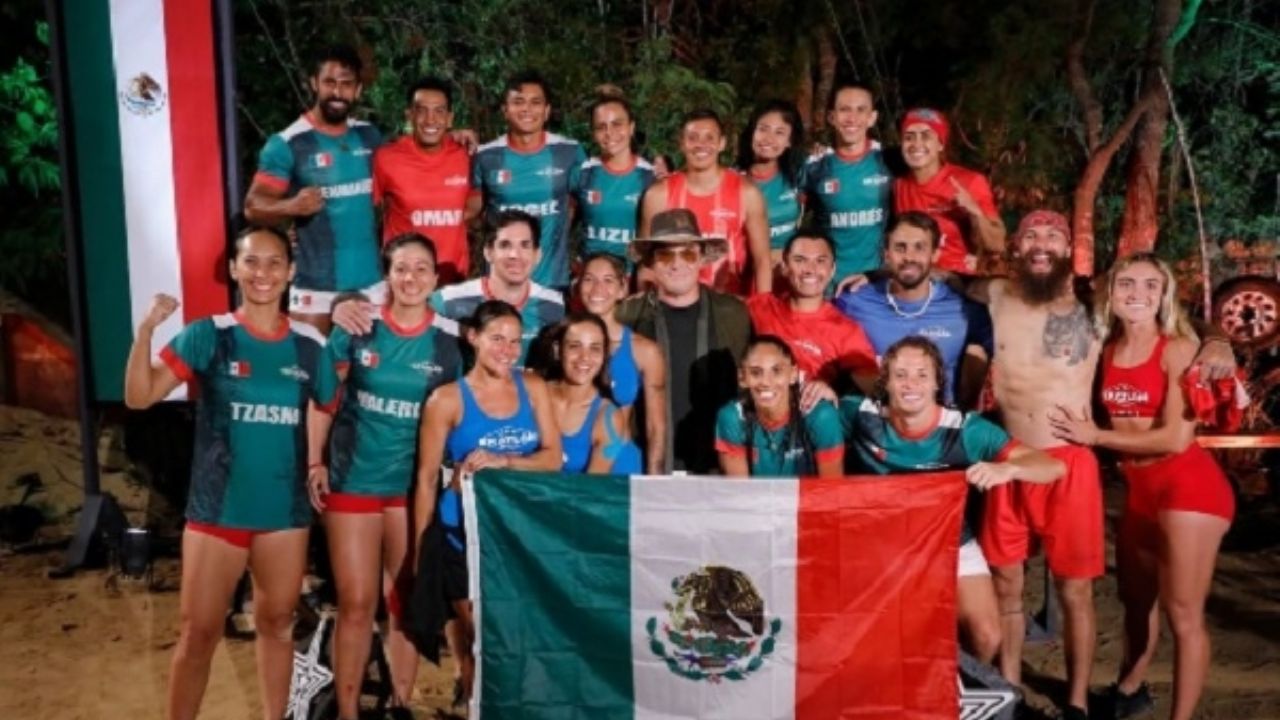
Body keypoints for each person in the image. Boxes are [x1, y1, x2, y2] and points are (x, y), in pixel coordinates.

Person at [970, 209, 1235, 719]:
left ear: (1069, 248)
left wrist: (1218, 338)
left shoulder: (1094, 305)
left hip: (1074, 463)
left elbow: (1171, 314)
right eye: (1031, 234)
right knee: (1015, 588)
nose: (1041, 243)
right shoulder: (995, 294)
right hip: (1011, 456)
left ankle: (1076, 703)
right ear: (1017, 246)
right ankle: (1011, 692)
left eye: (1053, 235)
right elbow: (934, 279)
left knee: (1080, 592)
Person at [123, 227, 339, 720]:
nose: (263, 273)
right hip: (217, 511)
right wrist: (146, 331)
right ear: (235, 269)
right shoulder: (210, 334)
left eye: (274, 262)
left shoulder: (310, 345)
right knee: (199, 633)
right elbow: (139, 396)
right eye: (252, 262)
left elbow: (328, 404)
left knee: (278, 624)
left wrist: (315, 460)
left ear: (290, 272)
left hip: (283, 514)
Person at [1048, 254, 1234, 720]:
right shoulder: (1108, 348)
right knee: (1135, 602)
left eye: (1151, 285)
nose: (1138, 293)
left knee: (1183, 613)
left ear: (1164, 294)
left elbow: (1175, 438)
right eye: (1127, 283)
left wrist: (1095, 437)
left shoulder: (1177, 348)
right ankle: (1129, 691)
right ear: (1111, 292)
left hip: (1189, 487)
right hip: (1140, 488)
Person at [305, 234, 463, 719]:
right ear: (388, 276)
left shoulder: (452, 342)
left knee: (405, 601)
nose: (411, 278)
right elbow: (323, 401)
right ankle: (348, 711)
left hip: (411, 491)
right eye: (401, 269)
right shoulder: (357, 326)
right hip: (353, 481)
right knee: (356, 602)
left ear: (435, 278)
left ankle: (399, 706)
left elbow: (463, 412)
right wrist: (314, 461)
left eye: (421, 269)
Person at [840, 336, 1064, 665]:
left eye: (922, 374)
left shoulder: (965, 429)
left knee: (987, 635)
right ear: (885, 381)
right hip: (882, 542)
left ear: (937, 383)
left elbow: (1053, 467)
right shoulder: (859, 414)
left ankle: (950, 683)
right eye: (900, 375)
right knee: (881, 635)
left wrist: (1008, 468)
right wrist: (820, 392)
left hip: (949, 540)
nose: (911, 384)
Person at [412, 300, 562, 705]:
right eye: (497, 339)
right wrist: (421, 550)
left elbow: (552, 458)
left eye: (515, 341)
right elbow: (426, 479)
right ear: (473, 338)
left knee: (517, 636)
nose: (507, 350)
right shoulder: (447, 400)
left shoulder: (533, 387)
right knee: (484, 636)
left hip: (519, 537)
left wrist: (504, 461)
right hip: (462, 535)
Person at [244, 45, 383, 334]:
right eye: (329, 82)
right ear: (314, 83)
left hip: (371, 284)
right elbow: (253, 207)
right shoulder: (288, 142)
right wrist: (292, 207)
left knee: (372, 364)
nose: (337, 92)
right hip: (315, 288)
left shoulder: (369, 136)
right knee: (309, 362)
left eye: (346, 84)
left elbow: (413, 160)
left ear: (357, 90)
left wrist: (455, 137)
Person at [332, 209, 564, 364]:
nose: (515, 255)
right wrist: (343, 306)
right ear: (488, 252)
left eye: (525, 245)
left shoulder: (555, 307)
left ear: (537, 254)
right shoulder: (449, 301)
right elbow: (397, 300)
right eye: (505, 245)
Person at [617, 209, 750, 473]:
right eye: (666, 255)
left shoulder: (734, 314)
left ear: (701, 259)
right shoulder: (626, 315)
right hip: (644, 463)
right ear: (651, 262)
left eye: (687, 254)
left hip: (717, 467)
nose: (676, 264)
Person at [835, 212, 994, 408]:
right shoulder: (854, 302)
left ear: (935, 254)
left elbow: (1009, 353)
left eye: (920, 247)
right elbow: (814, 332)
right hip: (878, 418)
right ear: (886, 254)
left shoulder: (963, 309)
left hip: (945, 420)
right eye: (900, 247)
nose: (909, 257)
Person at [469, 71, 586, 291]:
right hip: (499, 285)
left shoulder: (569, 152)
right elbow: (469, 213)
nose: (527, 109)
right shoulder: (486, 156)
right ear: (505, 110)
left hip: (552, 283)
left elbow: (587, 203)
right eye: (518, 102)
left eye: (535, 102)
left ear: (547, 110)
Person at [640, 109, 771, 295]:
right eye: (692, 138)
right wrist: (647, 306)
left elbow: (762, 260)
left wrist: (763, 306)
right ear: (681, 143)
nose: (701, 145)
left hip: (729, 302)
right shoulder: (658, 194)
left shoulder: (747, 193)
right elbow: (647, 263)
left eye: (709, 138)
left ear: (722, 143)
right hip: (673, 302)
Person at [372, 76, 476, 285]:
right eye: (422, 111)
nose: (430, 120)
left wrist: (439, 218)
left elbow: (475, 205)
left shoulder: (466, 154)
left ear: (450, 118)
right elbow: (361, 213)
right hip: (405, 281)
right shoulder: (386, 158)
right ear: (409, 115)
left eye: (439, 111)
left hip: (453, 280)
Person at [747, 229, 877, 391]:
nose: (810, 269)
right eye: (800, 260)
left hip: (816, 405)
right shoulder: (761, 307)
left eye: (820, 261)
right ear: (785, 267)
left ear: (832, 270)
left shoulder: (846, 331)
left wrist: (830, 392)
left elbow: (873, 389)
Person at [578, 253, 668, 473]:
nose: (597, 288)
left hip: (620, 466)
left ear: (622, 289)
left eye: (608, 280)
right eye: (589, 279)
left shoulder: (644, 350)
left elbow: (655, 427)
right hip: (570, 466)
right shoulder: (560, 343)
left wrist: (654, 481)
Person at [800, 81, 892, 285]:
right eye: (844, 109)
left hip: (875, 284)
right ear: (831, 117)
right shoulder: (814, 167)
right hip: (827, 285)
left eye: (861, 110)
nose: (852, 118)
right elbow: (790, 217)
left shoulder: (889, 162)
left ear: (872, 117)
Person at [894, 107, 1004, 276]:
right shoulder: (899, 185)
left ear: (940, 144)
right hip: (914, 276)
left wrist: (974, 211)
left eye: (926, 136)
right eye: (909, 137)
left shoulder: (969, 181)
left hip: (957, 278)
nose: (916, 144)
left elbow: (997, 244)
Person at [715, 336, 844, 477]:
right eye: (756, 372)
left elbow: (831, 487)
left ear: (793, 375)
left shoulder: (820, 416)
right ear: (742, 377)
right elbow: (739, 488)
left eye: (777, 371)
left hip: (808, 492)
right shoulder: (733, 417)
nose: (766, 382)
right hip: (754, 492)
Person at [537, 313, 644, 474]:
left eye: (595, 348)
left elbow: (593, 486)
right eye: (575, 346)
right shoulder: (535, 393)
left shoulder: (608, 417)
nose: (585, 357)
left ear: (604, 355)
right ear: (558, 350)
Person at [575, 93, 655, 272]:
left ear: (631, 127)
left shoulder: (649, 177)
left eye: (617, 124)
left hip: (630, 278)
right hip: (592, 278)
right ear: (593, 133)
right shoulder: (583, 173)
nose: (609, 133)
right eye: (601, 127)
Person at [735, 100, 805, 265]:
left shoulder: (799, 174)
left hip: (790, 269)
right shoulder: (732, 180)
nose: (768, 139)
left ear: (789, 141)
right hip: (747, 269)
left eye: (779, 132)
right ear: (752, 132)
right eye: (763, 129)